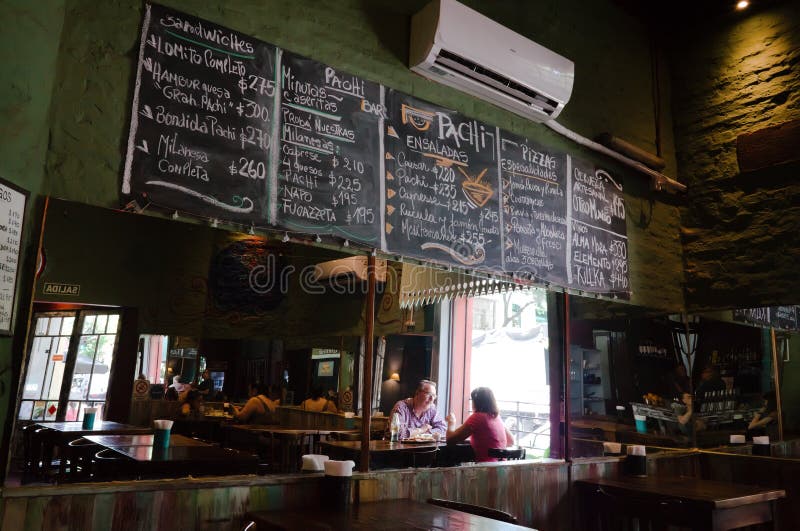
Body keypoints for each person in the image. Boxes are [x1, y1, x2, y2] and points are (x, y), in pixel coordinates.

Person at [445, 387, 514, 462]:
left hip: (485, 469)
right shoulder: (496, 417)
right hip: (501, 468)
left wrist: (451, 422)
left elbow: (450, 441)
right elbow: (511, 441)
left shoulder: (477, 417)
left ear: (476, 402)